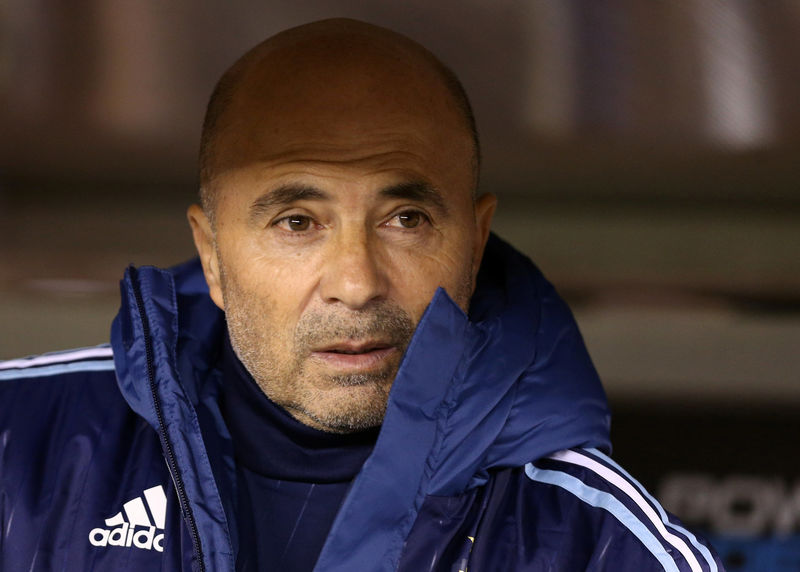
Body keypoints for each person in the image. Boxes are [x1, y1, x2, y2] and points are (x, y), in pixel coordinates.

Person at [0, 18, 723, 571]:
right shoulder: (16, 447)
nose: (355, 282)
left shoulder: (595, 544)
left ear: (474, 241)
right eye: (297, 222)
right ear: (212, 254)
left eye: (406, 220)